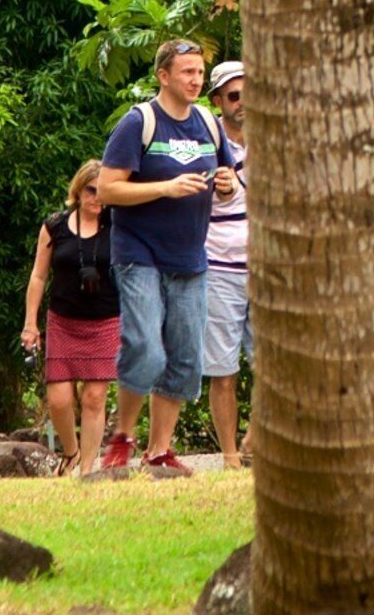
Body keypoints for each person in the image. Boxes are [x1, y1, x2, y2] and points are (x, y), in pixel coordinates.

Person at [97, 39, 235, 477]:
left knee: (185, 356)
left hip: (191, 256)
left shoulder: (209, 125)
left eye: (199, 72)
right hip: (139, 253)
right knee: (145, 347)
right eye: (187, 72)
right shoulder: (139, 122)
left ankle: (159, 450)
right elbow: (106, 190)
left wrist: (227, 184)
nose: (195, 80)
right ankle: (122, 437)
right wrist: (165, 187)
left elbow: (225, 179)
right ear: (163, 76)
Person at [20, 159, 127, 476]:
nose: (98, 198)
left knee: (94, 397)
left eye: (104, 191)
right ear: (78, 191)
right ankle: (71, 451)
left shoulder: (117, 225)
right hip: (64, 318)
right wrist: (30, 324)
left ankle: (88, 469)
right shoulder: (55, 225)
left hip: (106, 319)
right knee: (59, 399)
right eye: (92, 190)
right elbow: (38, 277)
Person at [197, 59, 252, 470]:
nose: (244, 102)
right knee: (223, 370)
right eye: (234, 95)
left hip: (267, 268)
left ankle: (254, 440)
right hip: (219, 265)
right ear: (218, 100)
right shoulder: (203, 139)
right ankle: (230, 457)